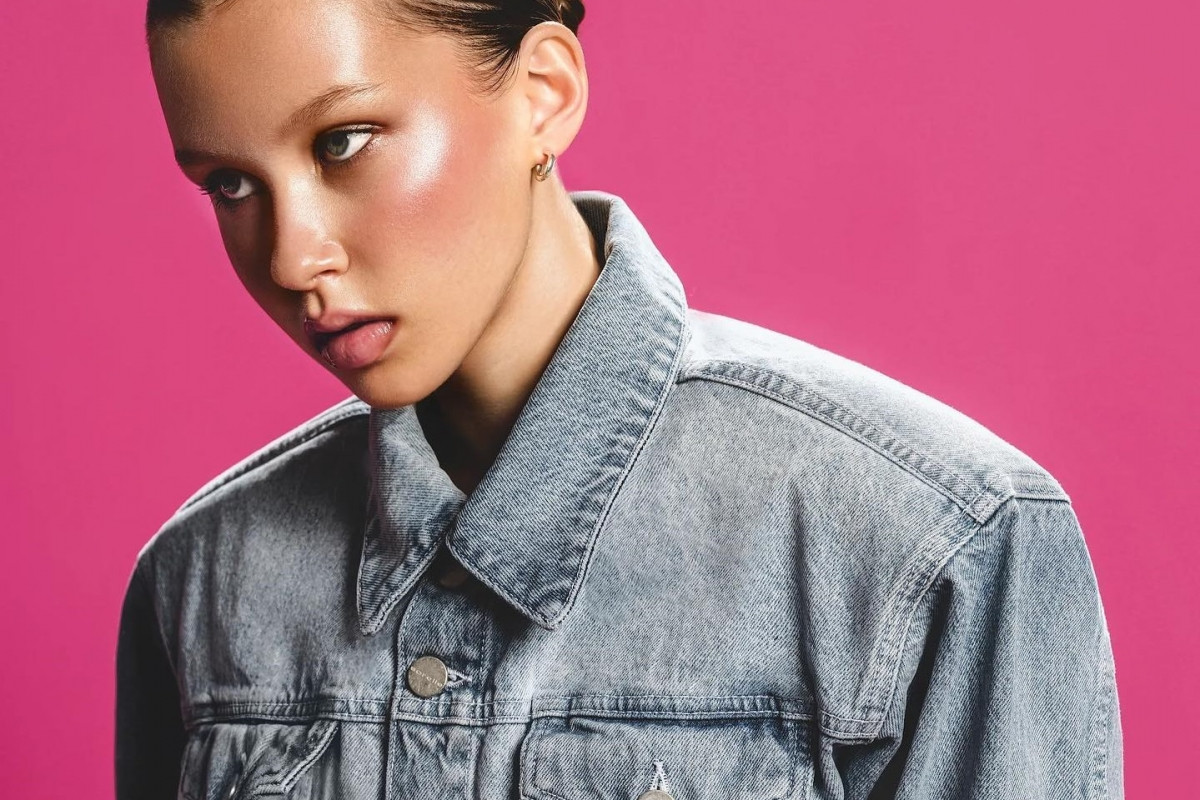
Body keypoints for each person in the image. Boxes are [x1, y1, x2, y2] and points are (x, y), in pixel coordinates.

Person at [115, 1, 1124, 798]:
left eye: (343, 142)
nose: (292, 257)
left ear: (544, 93)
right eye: (230, 185)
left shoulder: (932, 544)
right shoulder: (201, 577)